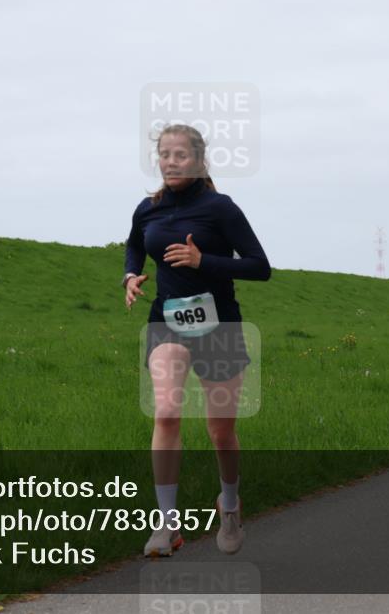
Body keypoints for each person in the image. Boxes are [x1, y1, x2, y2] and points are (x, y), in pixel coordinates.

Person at [124, 124, 270, 557]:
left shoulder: (220, 208)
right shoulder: (147, 209)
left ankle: (230, 505)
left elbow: (260, 266)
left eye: (180, 155)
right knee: (167, 411)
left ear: (200, 161)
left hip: (218, 326)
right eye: (164, 155)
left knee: (220, 431)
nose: (170, 162)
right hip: (166, 321)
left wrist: (202, 260)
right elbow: (134, 246)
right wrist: (130, 275)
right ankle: (167, 523)